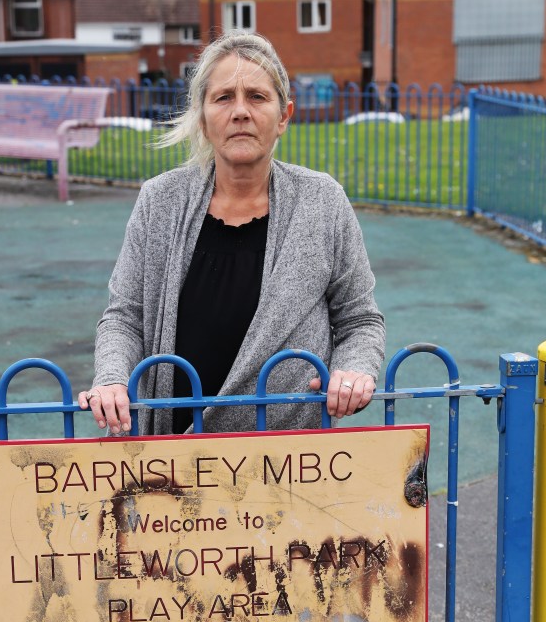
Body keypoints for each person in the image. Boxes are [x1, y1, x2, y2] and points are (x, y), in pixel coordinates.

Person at [78, 32, 385, 435]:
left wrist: (354, 369)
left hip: (288, 456)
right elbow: (124, 317)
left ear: (284, 116)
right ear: (203, 119)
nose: (240, 111)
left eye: (257, 97)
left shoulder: (322, 201)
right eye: (223, 97)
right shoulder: (160, 201)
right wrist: (113, 377)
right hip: (174, 460)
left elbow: (360, 320)